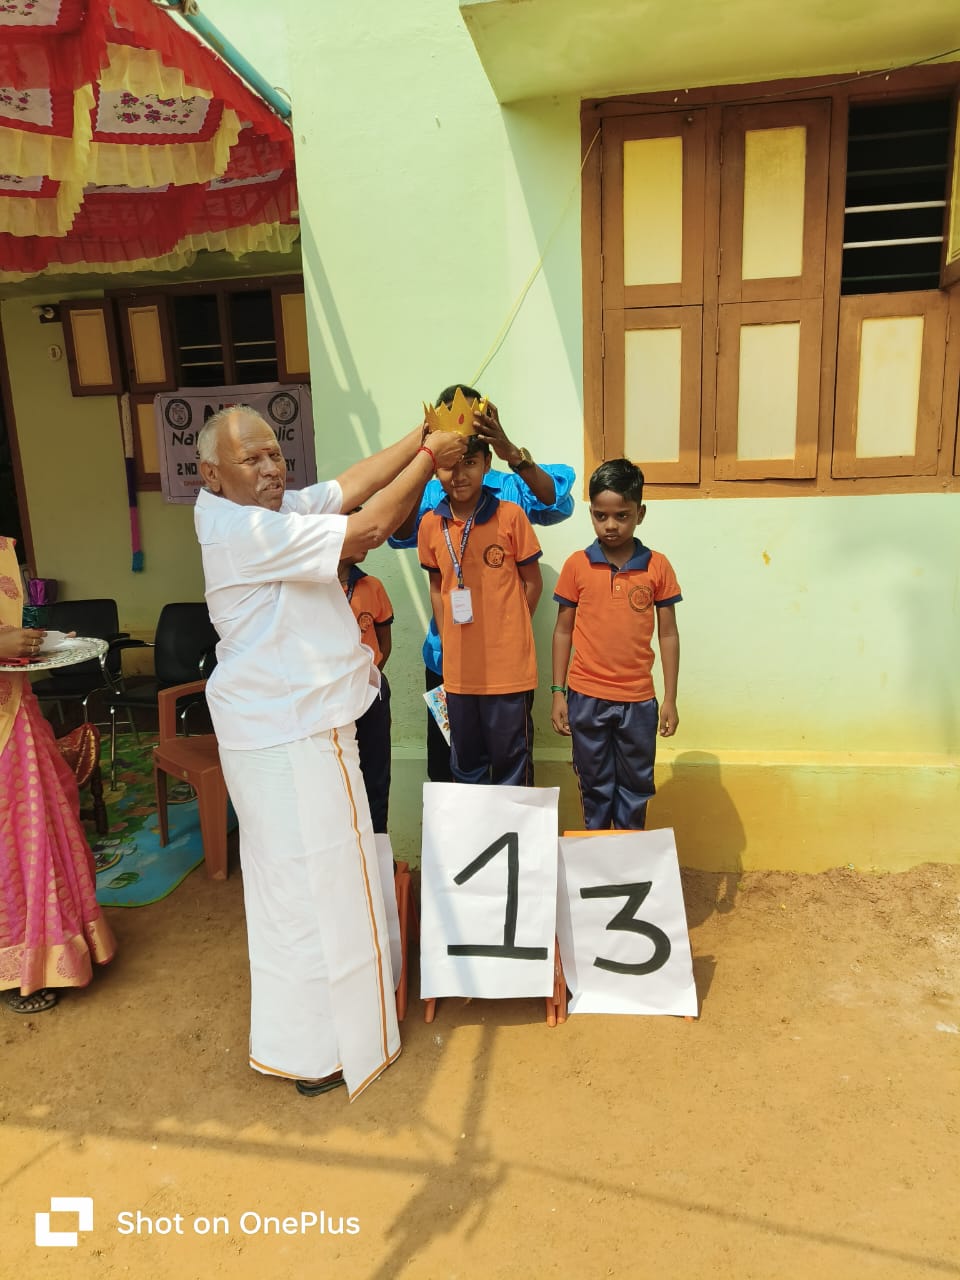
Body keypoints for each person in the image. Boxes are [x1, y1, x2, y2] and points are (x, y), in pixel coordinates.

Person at [194, 405, 465, 1099]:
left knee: (307, 887)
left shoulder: (267, 512)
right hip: (290, 731)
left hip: (291, 726)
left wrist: (420, 435)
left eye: (275, 452)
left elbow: (349, 485)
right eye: (252, 459)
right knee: (313, 891)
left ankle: (315, 1041)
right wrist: (431, 459)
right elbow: (368, 527)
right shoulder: (245, 530)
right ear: (211, 475)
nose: (271, 467)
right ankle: (326, 1050)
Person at [389, 385, 575, 782]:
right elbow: (400, 533)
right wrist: (424, 462)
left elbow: (556, 502)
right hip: (448, 658)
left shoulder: (510, 490)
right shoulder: (432, 495)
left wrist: (511, 451)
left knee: (511, 761)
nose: (460, 471)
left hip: (504, 660)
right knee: (450, 767)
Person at [0, 536, 116, 1014]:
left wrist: (32, 644)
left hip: (15, 717)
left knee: (36, 830)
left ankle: (50, 952)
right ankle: (16, 963)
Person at [550, 459, 681, 829]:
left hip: (638, 701)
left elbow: (668, 633)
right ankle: (597, 851)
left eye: (622, 515)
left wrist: (670, 698)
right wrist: (558, 692)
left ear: (640, 513)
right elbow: (562, 631)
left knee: (635, 786)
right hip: (586, 697)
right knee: (594, 785)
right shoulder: (577, 565)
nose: (610, 525)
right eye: (600, 515)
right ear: (591, 513)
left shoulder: (657, 566)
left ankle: (629, 851)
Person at [418, 434, 543, 786]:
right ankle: (473, 826)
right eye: (449, 465)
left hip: (508, 671)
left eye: (470, 463)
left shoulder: (510, 517)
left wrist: (511, 630)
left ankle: (514, 824)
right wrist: (449, 642)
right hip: (459, 673)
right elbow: (437, 587)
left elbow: (533, 583)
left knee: (512, 767)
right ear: (435, 470)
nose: (459, 475)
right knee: (465, 768)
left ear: (487, 464)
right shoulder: (430, 525)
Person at [338, 549, 393, 834]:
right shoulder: (314, 587)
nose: (368, 542)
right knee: (336, 776)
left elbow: (384, 642)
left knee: (375, 775)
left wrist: (369, 680)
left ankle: (378, 845)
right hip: (330, 699)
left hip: (370, 696)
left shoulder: (372, 586)